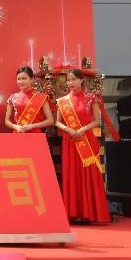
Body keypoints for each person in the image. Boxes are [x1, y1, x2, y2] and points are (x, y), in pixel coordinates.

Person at [55, 68, 110, 224]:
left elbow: (97, 121)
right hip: (70, 141)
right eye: (68, 80)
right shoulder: (63, 101)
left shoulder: (91, 98)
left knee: (88, 175)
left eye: (73, 79)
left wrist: (82, 129)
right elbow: (57, 122)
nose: (70, 82)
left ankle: (90, 213)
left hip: (86, 139)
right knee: (71, 175)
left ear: (81, 80)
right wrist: (69, 130)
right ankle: (73, 213)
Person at [4, 66, 54, 134]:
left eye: (24, 78)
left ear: (32, 79)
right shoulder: (13, 98)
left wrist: (32, 126)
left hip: (35, 134)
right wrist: (15, 127)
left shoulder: (41, 97)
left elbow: (50, 121)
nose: (20, 82)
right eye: (18, 79)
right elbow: (6, 121)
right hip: (18, 133)